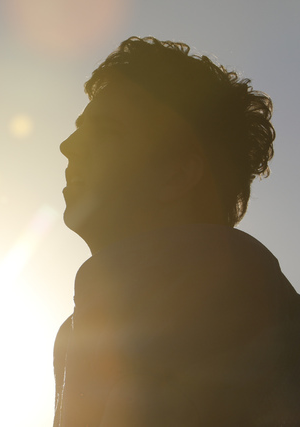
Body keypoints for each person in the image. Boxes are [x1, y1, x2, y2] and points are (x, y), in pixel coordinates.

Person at [54, 36, 300, 426]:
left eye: (106, 131)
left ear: (177, 174)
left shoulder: (222, 306)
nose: (68, 146)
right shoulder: (89, 326)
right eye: (80, 128)